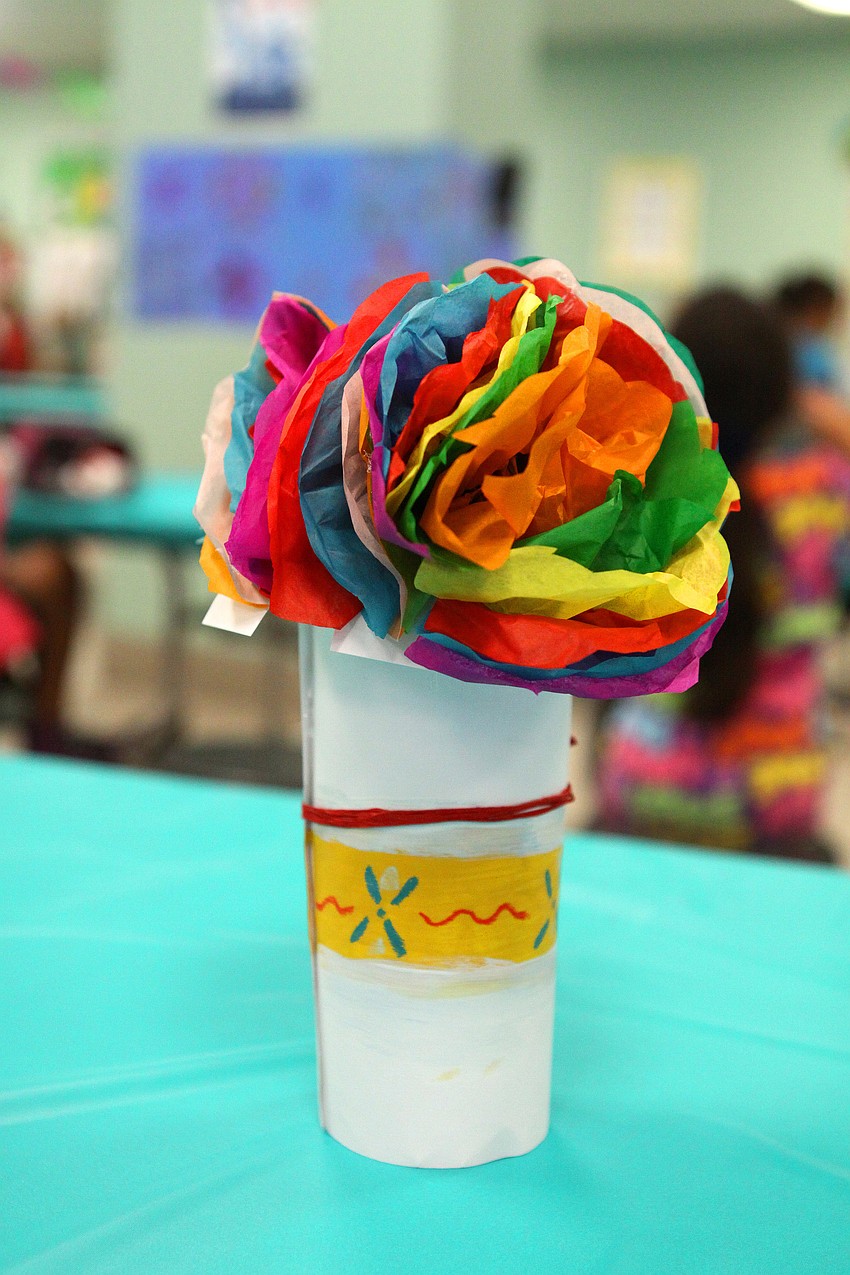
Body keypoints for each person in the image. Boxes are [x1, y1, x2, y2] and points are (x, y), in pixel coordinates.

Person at [597, 287, 850, 860]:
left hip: (638, 793)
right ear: (785, 391)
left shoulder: (629, 493)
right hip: (779, 811)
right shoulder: (826, 490)